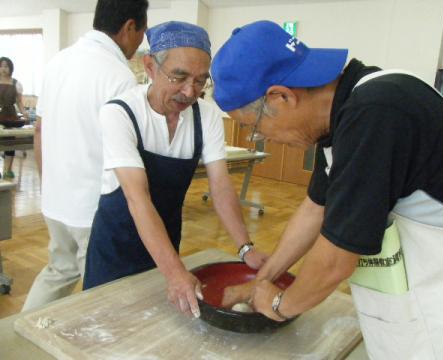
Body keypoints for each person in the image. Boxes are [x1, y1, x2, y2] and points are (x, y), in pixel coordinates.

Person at [210, 20, 443, 360]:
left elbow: (336, 258)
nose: (262, 138)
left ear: (281, 96)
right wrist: (261, 281)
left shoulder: (376, 113)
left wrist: (279, 304)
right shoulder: (346, 114)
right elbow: (314, 209)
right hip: (428, 283)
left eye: (254, 127)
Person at [83, 21, 267, 318]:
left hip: (165, 241)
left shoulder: (204, 117)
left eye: (200, 81)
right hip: (116, 245)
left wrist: (245, 248)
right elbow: (137, 199)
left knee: (157, 324)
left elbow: (220, 187)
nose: (189, 91)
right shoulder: (120, 113)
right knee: (108, 325)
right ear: (149, 67)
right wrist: (175, 273)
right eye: (179, 76)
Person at [23, 0, 149, 311]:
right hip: (93, 207)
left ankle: (17, 341)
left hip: (56, 200)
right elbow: (124, 153)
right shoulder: (119, 75)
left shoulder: (58, 62)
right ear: (130, 27)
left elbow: (39, 131)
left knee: (58, 271)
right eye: (141, 33)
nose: (139, 43)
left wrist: (49, 184)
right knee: (103, 290)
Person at [0, 56, 26, 179]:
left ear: (11, 68)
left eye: (6, 66)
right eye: (1, 66)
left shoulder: (16, 83)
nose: (3, 69)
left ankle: (7, 170)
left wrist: (24, 113)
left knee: (10, 143)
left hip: (10, 115)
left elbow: (19, 102)